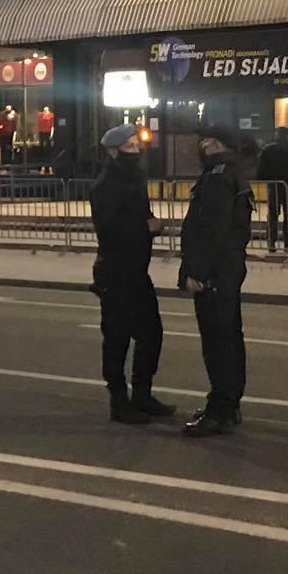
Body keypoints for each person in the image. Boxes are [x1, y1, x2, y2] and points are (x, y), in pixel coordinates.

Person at [89, 125, 172, 424]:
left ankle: (142, 394)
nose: (136, 151)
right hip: (115, 271)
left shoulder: (135, 179)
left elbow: (138, 215)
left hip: (137, 270)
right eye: (130, 147)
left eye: (138, 146)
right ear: (113, 151)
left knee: (152, 333)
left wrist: (150, 223)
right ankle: (119, 401)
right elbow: (109, 230)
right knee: (117, 338)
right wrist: (145, 228)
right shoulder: (105, 186)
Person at [177, 125, 254, 438]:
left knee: (217, 341)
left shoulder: (217, 178)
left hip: (215, 272)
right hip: (229, 269)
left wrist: (194, 271)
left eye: (205, 140)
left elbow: (210, 230)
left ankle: (220, 410)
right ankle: (229, 403)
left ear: (217, 144)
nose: (201, 144)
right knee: (230, 337)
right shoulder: (232, 173)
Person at [255, 127, 288, 255]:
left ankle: (271, 243)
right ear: (287, 136)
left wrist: (268, 179)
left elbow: (261, 170)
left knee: (272, 215)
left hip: (274, 186)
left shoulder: (268, 150)